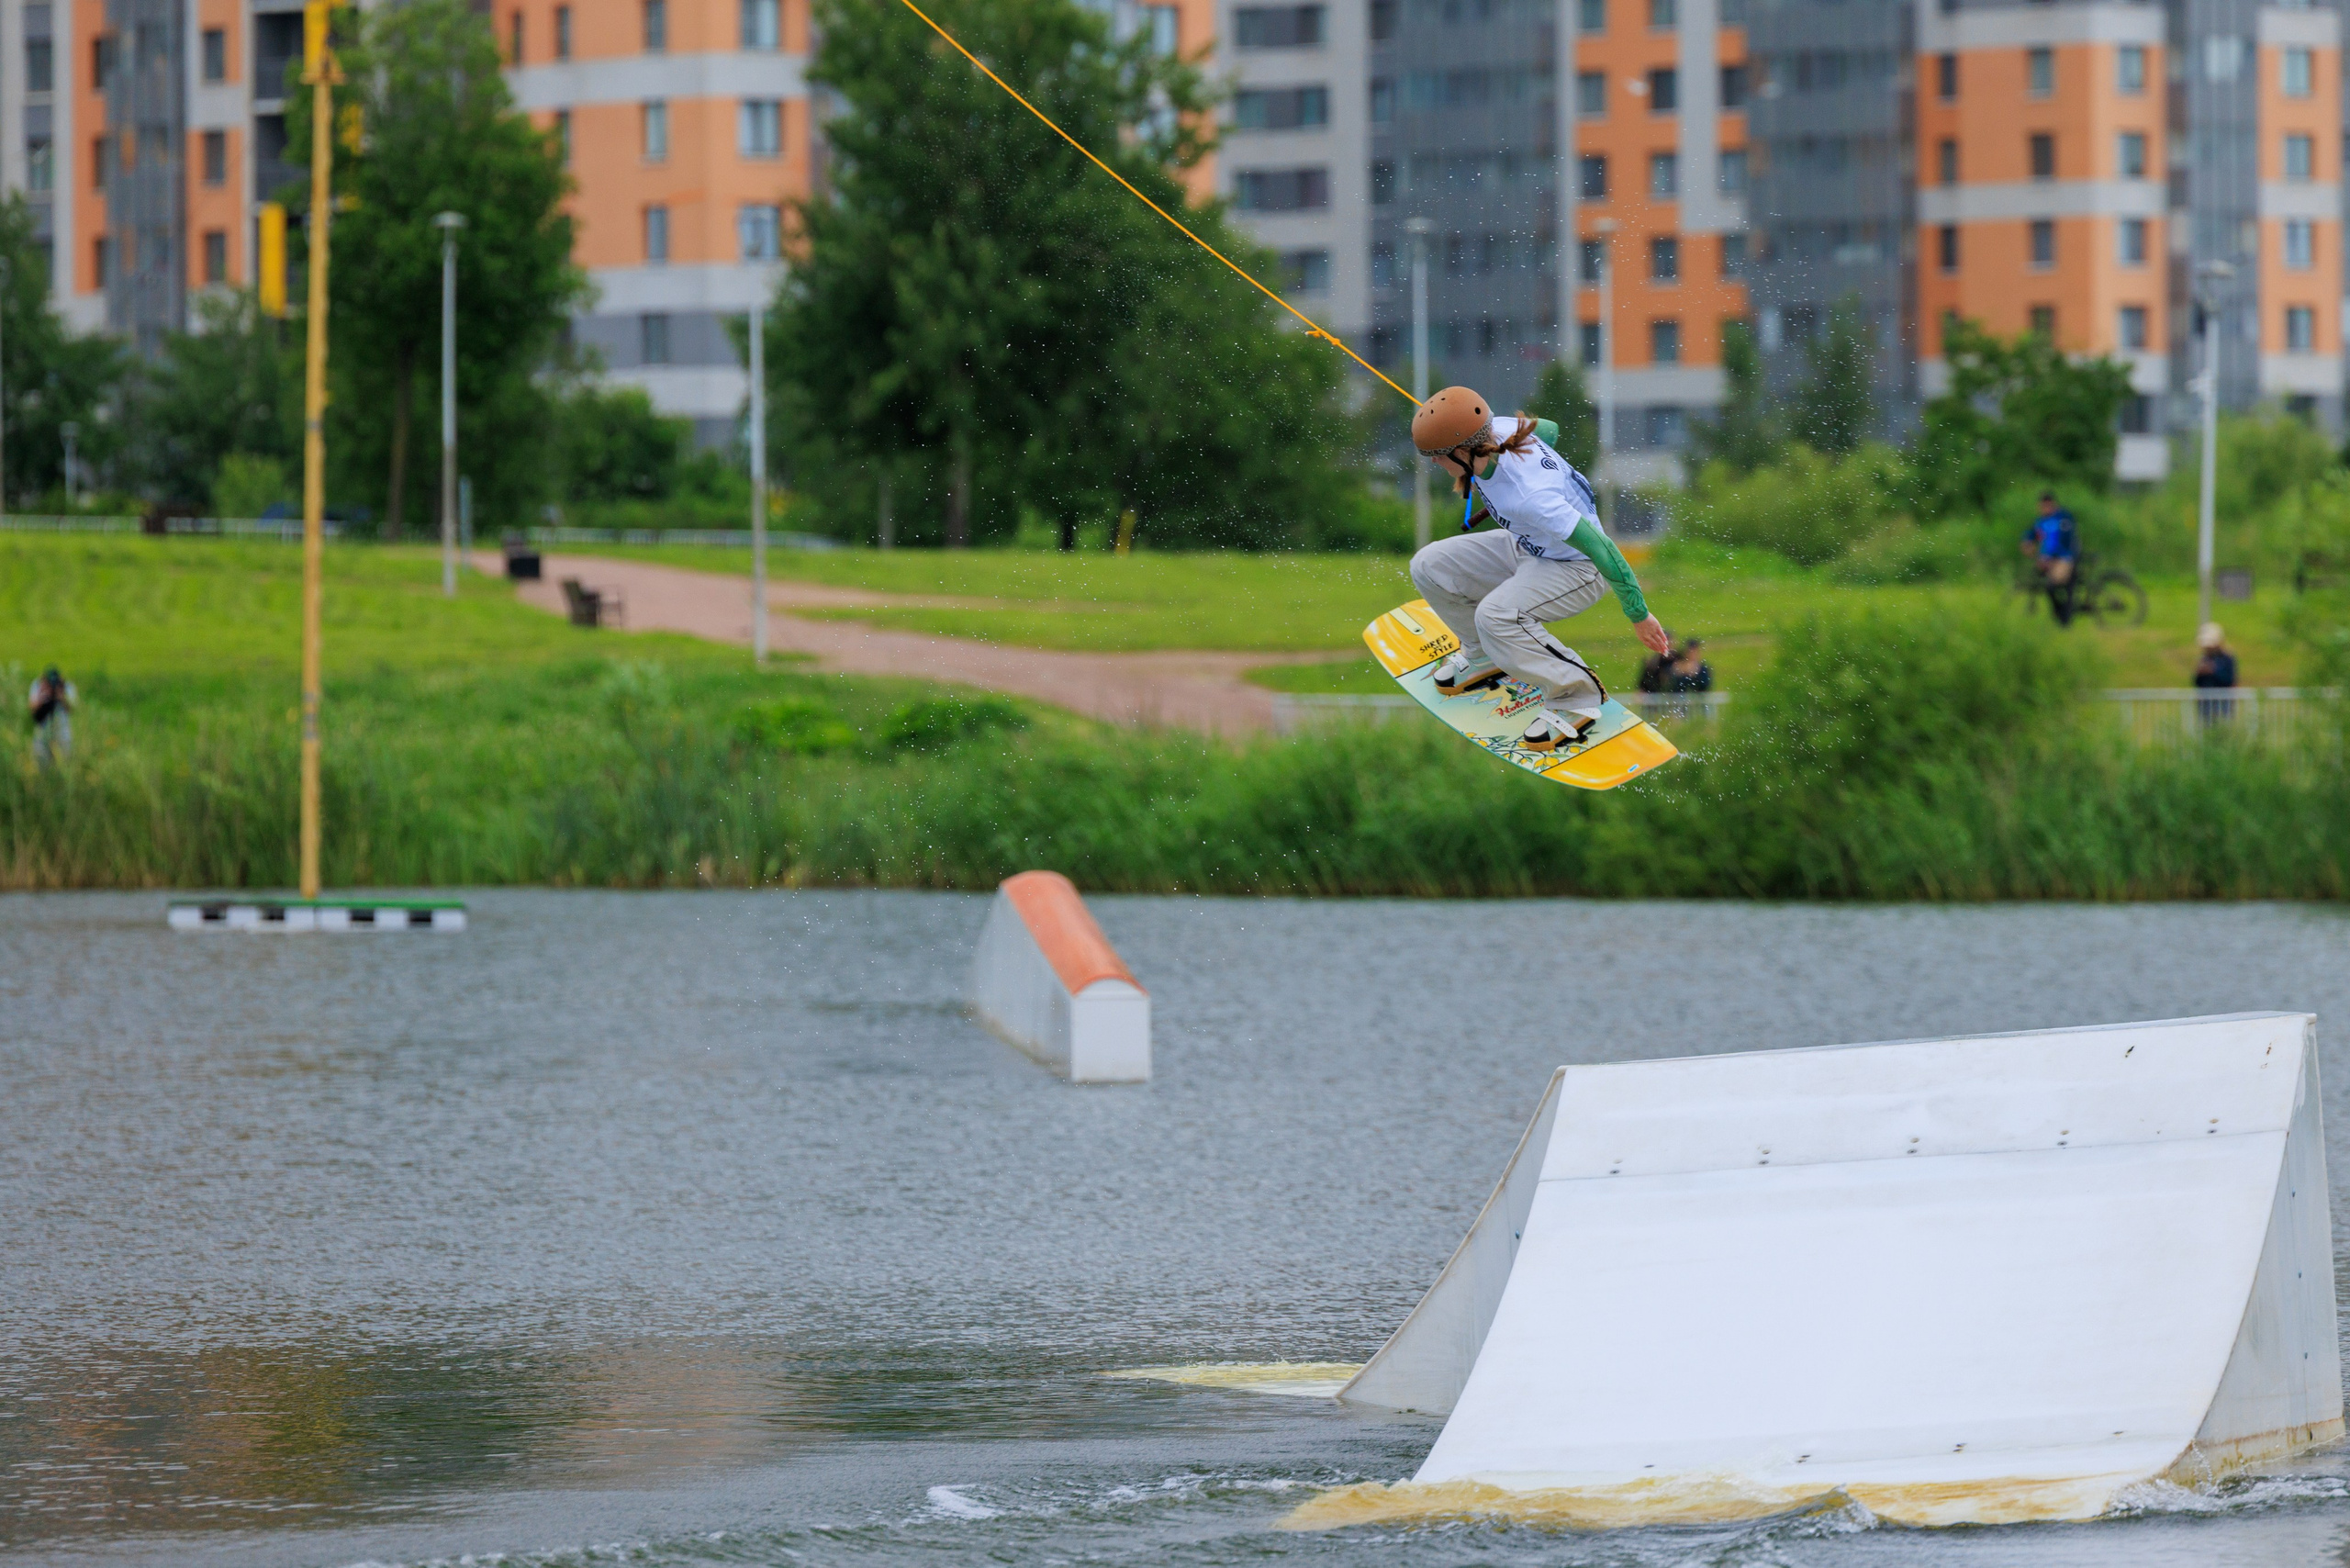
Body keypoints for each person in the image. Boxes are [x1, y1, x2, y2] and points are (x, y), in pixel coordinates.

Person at [1407, 386, 1671, 752]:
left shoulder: (1532, 497)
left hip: (1579, 568)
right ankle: (1483, 656)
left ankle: (1577, 698)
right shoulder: (1495, 430)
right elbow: (1548, 429)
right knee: (1428, 565)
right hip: (1529, 546)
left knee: (1496, 616)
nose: (1435, 464)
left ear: (1464, 450)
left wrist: (1639, 614)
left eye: (1438, 456)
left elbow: (1602, 548)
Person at [2020, 491, 2080, 626]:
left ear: (2051, 504)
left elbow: (2067, 541)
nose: (2043, 509)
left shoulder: (2064, 518)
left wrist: (2050, 558)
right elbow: (2032, 533)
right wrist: (2026, 542)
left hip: (2064, 559)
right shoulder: (2041, 521)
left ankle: (2064, 617)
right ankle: (2058, 614)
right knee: (2041, 581)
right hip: (2047, 560)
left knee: (2052, 586)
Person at [28, 666, 74, 767]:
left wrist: (60, 696)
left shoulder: (66, 686)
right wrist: (43, 694)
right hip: (42, 732)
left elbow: (72, 708)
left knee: (64, 764)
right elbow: (32, 708)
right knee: (41, 764)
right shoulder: (38, 685)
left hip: (62, 732)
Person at [2193, 622, 2237, 727]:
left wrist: (2214, 671)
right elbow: (2197, 683)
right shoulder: (2204, 659)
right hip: (2206, 703)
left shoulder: (2227, 659)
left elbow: (2229, 679)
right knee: (2207, 729)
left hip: (2223, 702)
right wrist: (2200, 673)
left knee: (2223, 728)